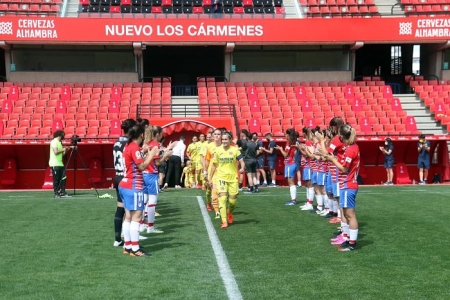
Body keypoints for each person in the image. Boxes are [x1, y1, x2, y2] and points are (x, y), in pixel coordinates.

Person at [119, 125, 159, 257]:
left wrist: (145, 152)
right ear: (141, 135)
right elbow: (141, 166)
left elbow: (135, 158)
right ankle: (135, 249)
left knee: (128, 217)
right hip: (134, 185)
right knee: (136, 218)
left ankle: (128, 245)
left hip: (125, 184)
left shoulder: (128, 146)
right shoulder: (134, 148)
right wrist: (151, 154)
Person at [325, 124, 360, 252]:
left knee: (350, 215)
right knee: (346, 213)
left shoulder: (351, 149)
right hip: (347, 184)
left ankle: (352, 243)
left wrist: (332, 160)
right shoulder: (351, 147)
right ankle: (347, 238)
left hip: (348, 184)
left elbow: (344, 169)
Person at [209, 131, 245, 229]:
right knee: (223, 198)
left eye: (226, 139)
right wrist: (210, 178)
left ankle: (229, 213)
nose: (224, 141)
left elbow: (241, 161)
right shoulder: (217, 150)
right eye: (223, 139)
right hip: (221, 177)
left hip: (233, 178)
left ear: (230, 140)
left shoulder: (235, 150)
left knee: (232, 202)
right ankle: (224, 221)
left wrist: (242, 167)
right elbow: (214, 165)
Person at [143, 126, 176, 234]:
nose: (162, 136)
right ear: (157, 134)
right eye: (161, 134)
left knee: (144, 201)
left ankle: (142, 224)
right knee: (152, 202)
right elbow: (157, 163)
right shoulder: (155, 145)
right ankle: (150, 227)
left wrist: (166, 149)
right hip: (151, 175)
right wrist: (166, 155)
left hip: (143, 175)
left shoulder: (148, 143)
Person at [112, 118, 136, 247]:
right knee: (131, 211)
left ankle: (117, 239)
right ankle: (131, 241)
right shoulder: (130, 144)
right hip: (128, 178)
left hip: (118, 176)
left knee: (120, 209)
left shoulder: (116, 143)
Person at [275, 128, 299, 206]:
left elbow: (285, 154)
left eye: (286, 134)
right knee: (291, 181)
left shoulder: (290, 143)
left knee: (291, 182)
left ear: (288, 135)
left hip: (290, 163)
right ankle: (293, 199)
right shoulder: (292, 142)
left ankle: (293, 200)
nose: (285, 136)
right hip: (291, 163)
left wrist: (280, 149)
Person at [203, 128, 223, 217]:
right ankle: (208, 203)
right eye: (215, 134)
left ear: (221, 136)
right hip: (212, 171)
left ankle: (217, 210)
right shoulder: (209, 146)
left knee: (219, 192)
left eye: (218, 134)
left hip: (222, 172)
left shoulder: (225, 145)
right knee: (209, 190)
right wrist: (205, 171)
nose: (216, 136)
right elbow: (206, 160)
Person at [49, 130, 74, 199]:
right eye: (63, 135)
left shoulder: (59, 143)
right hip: (55, 164)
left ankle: (62, 192)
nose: (64, 137)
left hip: (60, 163)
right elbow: (56, 152)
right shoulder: (54, 142)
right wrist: (63, 149)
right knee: (56, 179)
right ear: (59, 135)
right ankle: (56, 193)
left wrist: (66, 150)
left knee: (63, 178)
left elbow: (62, 154)